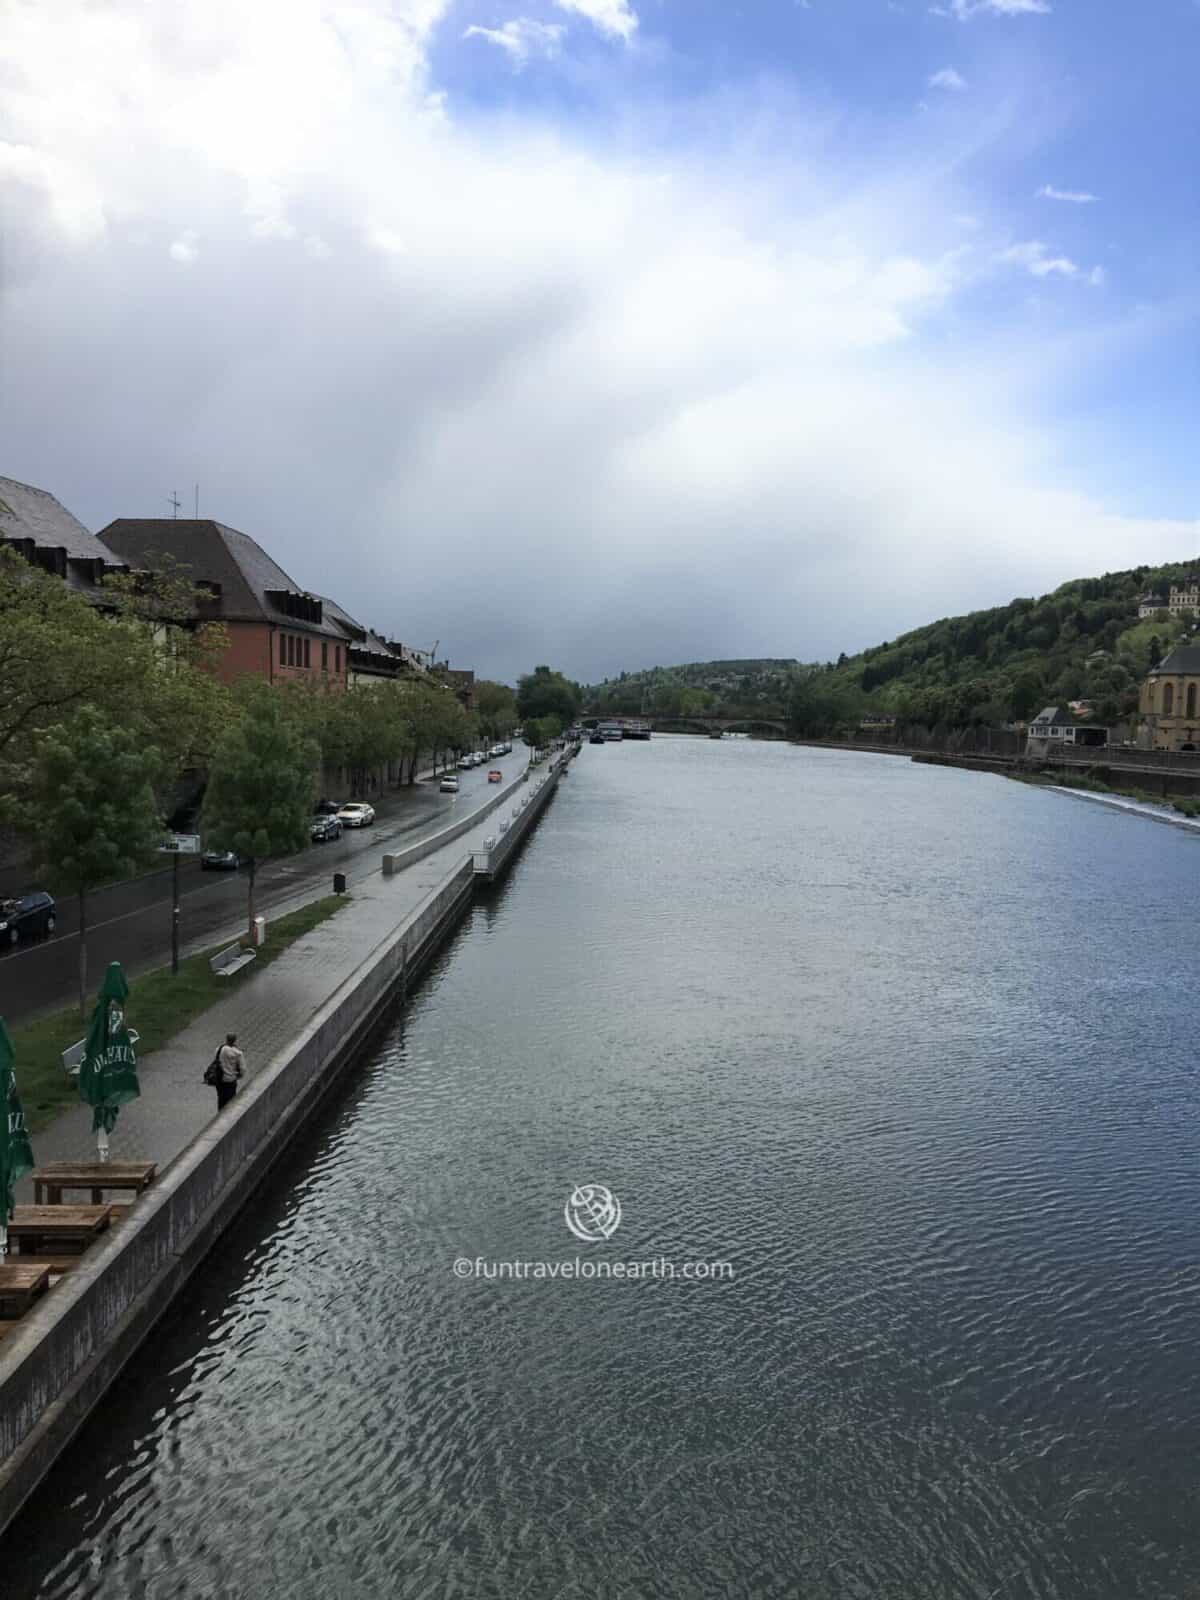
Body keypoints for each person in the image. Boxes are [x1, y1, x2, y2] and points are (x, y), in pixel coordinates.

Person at [215, 1033, 244, 1110]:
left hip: (219, 1079)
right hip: (230, 1080)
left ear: (226, 1039)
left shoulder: (218, 1049)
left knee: (221, 1098)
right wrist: (238, 1076)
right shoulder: (238, 1053)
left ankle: (219, 1115)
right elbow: (242, 1069)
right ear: (235, 1041)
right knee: (231, 1101)